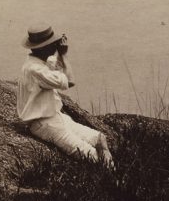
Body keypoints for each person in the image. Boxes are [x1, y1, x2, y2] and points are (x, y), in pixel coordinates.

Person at [17, 23, 114, 168]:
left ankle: (112, 173)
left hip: (56, 117)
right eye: (52, 43)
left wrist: (57, 54)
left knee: (100, 139)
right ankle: (111, 176)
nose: (55, 45)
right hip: (44, 124)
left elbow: (52, 66)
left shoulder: (37, 60)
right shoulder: (35, 70)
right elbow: (69, 80)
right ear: (44, 48)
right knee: (91, 155)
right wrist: (63, 54)